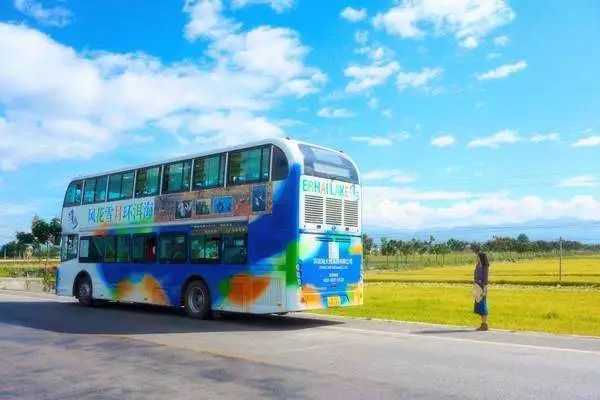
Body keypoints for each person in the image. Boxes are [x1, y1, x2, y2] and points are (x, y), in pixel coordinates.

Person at [469, 243, 490, 331]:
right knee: (480, 306)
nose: (476, 258)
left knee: (483, 305)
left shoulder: (485, 267)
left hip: (482, 287)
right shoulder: (478, 266)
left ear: (481, 258)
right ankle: (483, 324)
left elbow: (485, 279)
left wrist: (484, 289)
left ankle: (484, 324)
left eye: (477, 257)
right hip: (477, 286)